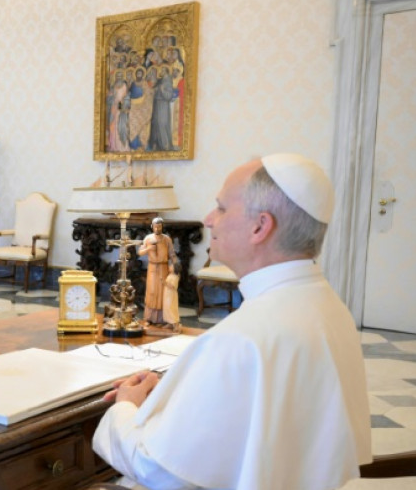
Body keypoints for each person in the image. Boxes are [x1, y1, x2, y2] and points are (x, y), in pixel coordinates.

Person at [93, 154, 372, 490]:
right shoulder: (326, 304)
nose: (209, 220)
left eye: (222, 208)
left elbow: (159, 471)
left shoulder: (240, 338)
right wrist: (180, 388)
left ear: (260, 227)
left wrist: (126, 405)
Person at [137, 217, 177, 325]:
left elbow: (172, 254)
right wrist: (149, 249)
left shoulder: (167, 239)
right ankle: (149, 317)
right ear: (152, 226)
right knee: (152, 291)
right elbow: (140, 252)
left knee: (163, 292)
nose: (157, 229)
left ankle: (163, 319)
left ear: (162, 227)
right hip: (152, 267)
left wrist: (175, 264)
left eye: (159, 227)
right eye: (155, 227)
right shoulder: (148, 238)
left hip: (164, 267)